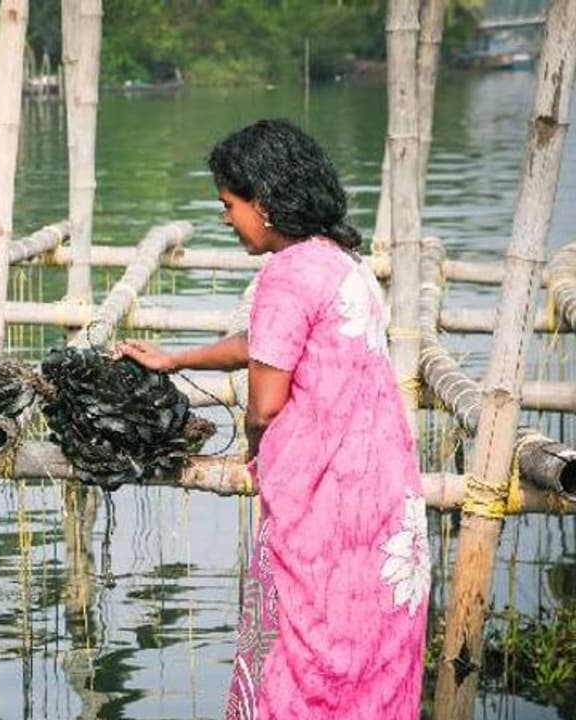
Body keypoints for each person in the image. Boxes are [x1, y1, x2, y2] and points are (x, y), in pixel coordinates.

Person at [116, 119, 429, 718]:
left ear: (262, 201)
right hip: (385, 505)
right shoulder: (341, 263)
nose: (227, 219)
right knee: (370, 655)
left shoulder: (285, 274)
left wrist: (254, 448)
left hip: (325, 514)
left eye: (229, 205)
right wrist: (178, 357)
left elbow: (264, 401)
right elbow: (267, 342)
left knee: (302, 659)